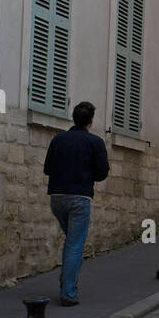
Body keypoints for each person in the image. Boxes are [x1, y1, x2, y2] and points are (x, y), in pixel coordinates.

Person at [43, 101, 109, 306]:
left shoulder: (58, 139)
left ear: (73, 117)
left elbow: (47, 169)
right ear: (91, 120)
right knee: (75, 244)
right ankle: (68, 293)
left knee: (71, 241)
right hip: (79, 198)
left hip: (56, 198)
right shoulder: (95, 142)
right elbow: (102, 173)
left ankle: (66, 281)